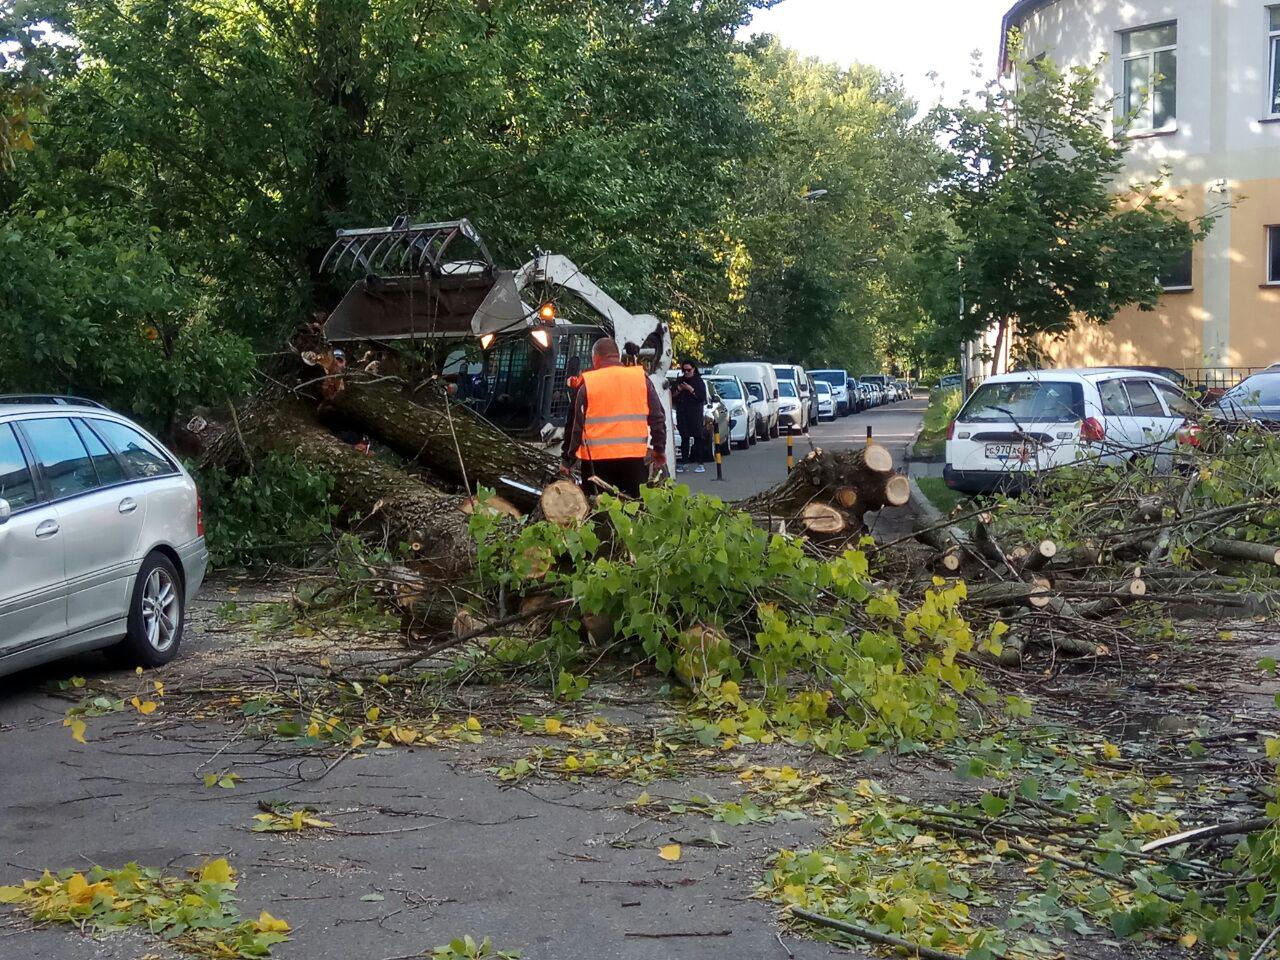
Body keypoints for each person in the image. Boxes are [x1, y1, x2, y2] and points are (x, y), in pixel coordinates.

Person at [561, 338, 668, 497]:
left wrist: (567, 460)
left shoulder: (587, 384)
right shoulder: (640, 379)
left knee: (599, 513)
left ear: (596, 357)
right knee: (633, 510)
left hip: (596, 465)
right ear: (617, 356)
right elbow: (658, 418)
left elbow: (575, 426)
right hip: (634, 461)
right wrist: (659, 449)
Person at [671, 361, 708, 474]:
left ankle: (700, 463)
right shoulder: (680, 380)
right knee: (684, 438)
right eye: (684, 370)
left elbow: (701, 397)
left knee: (698, 437)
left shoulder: (698, 381)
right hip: (682, 412)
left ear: (693, 369)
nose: (686, 372)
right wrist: (679, 390)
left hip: (695, 413)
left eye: (689, 370)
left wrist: (690, 389)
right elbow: (672, 395)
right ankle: (684, 462)